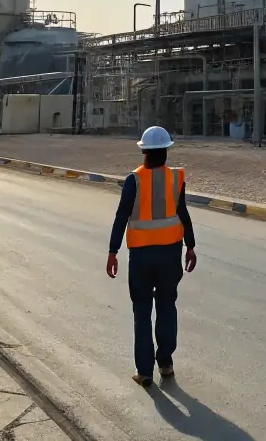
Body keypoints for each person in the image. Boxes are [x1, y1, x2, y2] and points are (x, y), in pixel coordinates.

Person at [106, 125, 197, 386]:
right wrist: (190, 246)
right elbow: (183, 213)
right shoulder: (176, 178)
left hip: (142, 258)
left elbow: (121, 217)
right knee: (167, 306)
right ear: (167, 150)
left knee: (142, 311)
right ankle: (166, 363)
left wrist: (113, 251)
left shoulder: (134, 180)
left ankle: (144, 372)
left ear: (143, 151)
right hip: (170, 254)